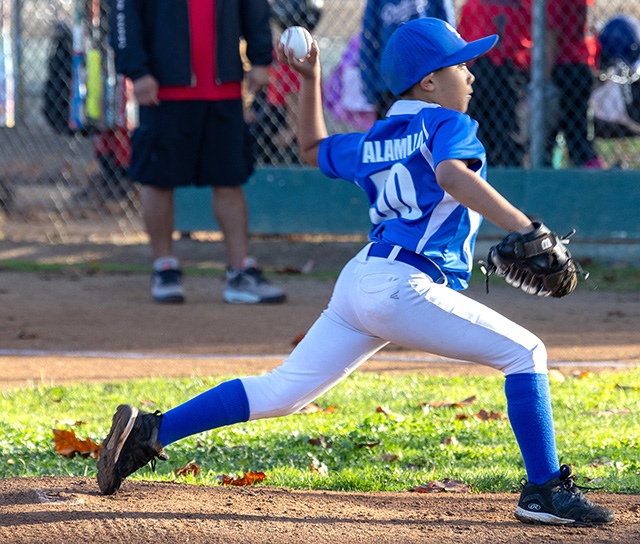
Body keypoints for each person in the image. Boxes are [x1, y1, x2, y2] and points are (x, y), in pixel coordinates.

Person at [97, 18, 615, 526]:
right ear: (429, 81)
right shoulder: (448, 123)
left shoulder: (376, 138)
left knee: (283, 391)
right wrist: (527, 227)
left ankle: (151, 431)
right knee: (526, 353)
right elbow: (452, 175)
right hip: (403, 287)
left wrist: (310, 79)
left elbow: (311, 149)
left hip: (361, 279)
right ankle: (545, 490)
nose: (471, 76)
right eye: (460, 65)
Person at [109, 0, 286, 304]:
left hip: (224, 89)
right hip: (162, 90)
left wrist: (260, 59)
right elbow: (124, 13)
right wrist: (136, 71)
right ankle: (164, 267)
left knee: (229, 180)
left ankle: (240, 271)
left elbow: (254, 7)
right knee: (158, 179)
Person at [248, 0, 324, 165]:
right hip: (276, 112)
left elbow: (293, 93)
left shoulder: (292, 51)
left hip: (286, 118)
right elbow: (272, 83)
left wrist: (292, 129)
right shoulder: (293, 48)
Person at [457, 0, 530, 166]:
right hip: (505, 70)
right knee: (506, 127)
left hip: (486, 70)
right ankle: (509, 164)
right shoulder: (521, 6)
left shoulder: (474, 5)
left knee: (484, 125)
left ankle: (485, 164)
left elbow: (464, 39)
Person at [359, 0, 456, 119]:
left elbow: (449, 34)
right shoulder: (376, 2)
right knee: (395, 127)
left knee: (434, 124)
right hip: (392, 85)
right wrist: (370, 92)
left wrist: (451, 75)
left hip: (431, 78)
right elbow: (368, 42)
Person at [542, 0, 604, 168]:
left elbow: (552, 35)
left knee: (562, 130)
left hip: (564, 67)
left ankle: (592, 171)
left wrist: (544, 79)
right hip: (583, 64)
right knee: (575, 127)